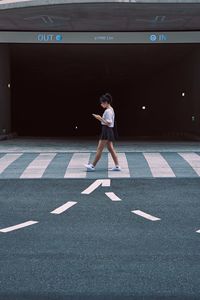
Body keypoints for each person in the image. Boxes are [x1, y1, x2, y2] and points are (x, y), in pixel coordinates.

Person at [84, 93, 121, 171]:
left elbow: (109, 122)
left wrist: (99, 118)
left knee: (99, 148)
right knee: (111, 148)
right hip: (108, 130)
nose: (101, 104)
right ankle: (117, 166)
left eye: (102, 103)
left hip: (106, 130)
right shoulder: (111, 109)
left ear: (106, 102)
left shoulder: (108, 111)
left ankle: (92, 165)